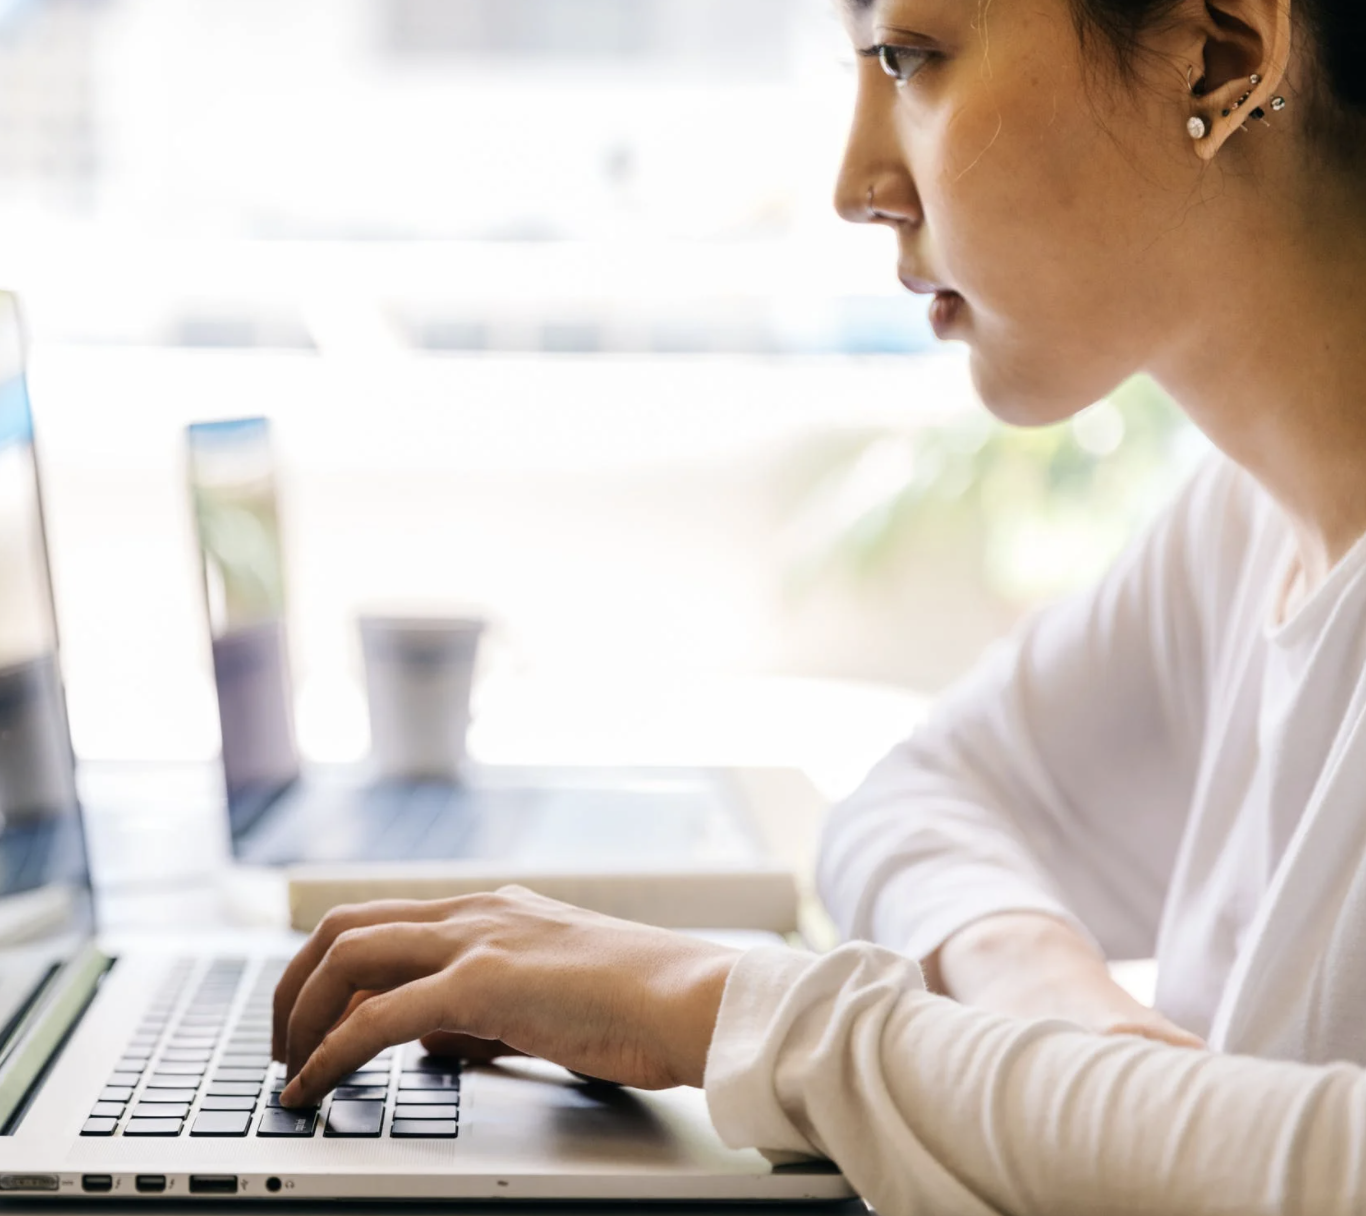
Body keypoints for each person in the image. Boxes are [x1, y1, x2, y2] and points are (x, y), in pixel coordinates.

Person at [271, 0, 1366, 1212]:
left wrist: (729, 1014)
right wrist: (1060, 1029)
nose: (855, 183)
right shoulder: (1248, 521)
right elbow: (915, 797)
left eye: (910, 57)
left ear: (1218, 58)